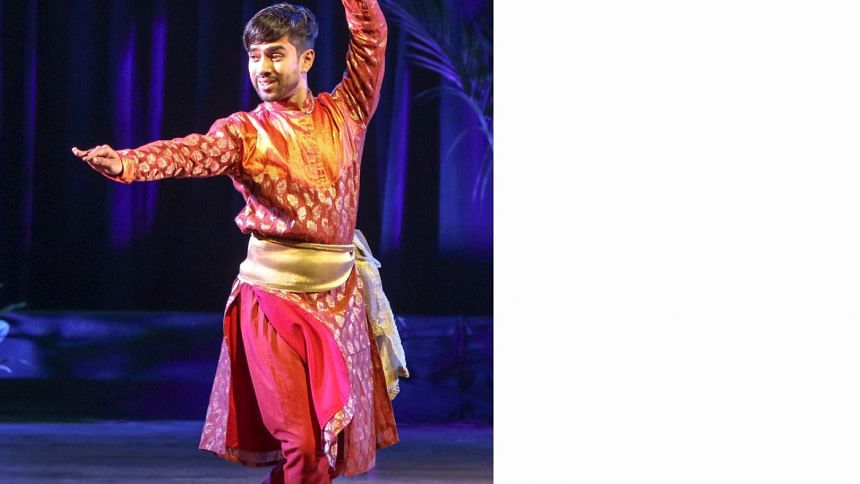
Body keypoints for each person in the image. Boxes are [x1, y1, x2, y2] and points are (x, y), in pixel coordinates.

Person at [71, 1, 408, 482]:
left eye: (275, 54)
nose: (262, 68)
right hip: (272, 304)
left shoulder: (347, 112)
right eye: (254, 57)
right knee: (303, 445)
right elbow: (191, 153)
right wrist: (127, 163)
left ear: (306, 59)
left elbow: (371, 37)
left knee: (323, 450)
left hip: (338, 303)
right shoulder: (246, 133)